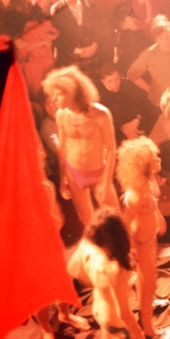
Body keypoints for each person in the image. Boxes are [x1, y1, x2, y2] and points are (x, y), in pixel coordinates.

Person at [43, 65, 119, 226]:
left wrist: (106, 183)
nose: (54, 100)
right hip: (74, 173)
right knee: (85, 216)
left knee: (113, 216)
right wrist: (63, 179)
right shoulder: (61, 115)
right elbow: (62, 148)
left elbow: (111, 150)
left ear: (71, 92)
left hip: (98, 173)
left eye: (58, 95)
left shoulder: (100, 114)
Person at [116, 136, 170, 339]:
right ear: (142, 166)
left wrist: (158, 216)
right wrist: (132, 250)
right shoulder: (133, 196)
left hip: (150, 239)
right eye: (154, 159)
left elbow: (153, 200)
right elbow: (126, 225)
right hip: (141, 244)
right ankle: (148, 329)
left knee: (148, 278)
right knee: (149, 282)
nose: (159, 160)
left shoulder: (148, 180)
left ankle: (148, 305)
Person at [79, 209, 146, 339]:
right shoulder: (116, 269)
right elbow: (123, 312)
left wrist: (104, 285)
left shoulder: (87, 247)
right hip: (116, 321)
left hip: (99, 309)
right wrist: (139, 333)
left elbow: (77, 271)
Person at [126, 15, 170, 108]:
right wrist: (150, 89)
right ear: (155, 39)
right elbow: (132, 74)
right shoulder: (149, 54)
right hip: (160, 103)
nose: (166, 42)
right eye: (161, 39)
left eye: (168, 37)